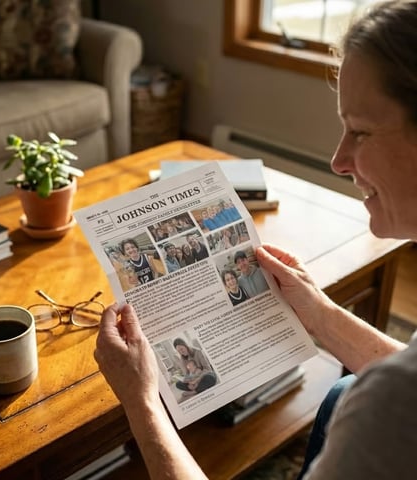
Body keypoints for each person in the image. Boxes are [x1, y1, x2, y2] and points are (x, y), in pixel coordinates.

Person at [94, 2, 417, 479]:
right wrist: (318, 312)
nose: (338, 160)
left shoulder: (386, 410)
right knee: (336, 394)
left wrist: (142, 405)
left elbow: (398, 392)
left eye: (361, 132)